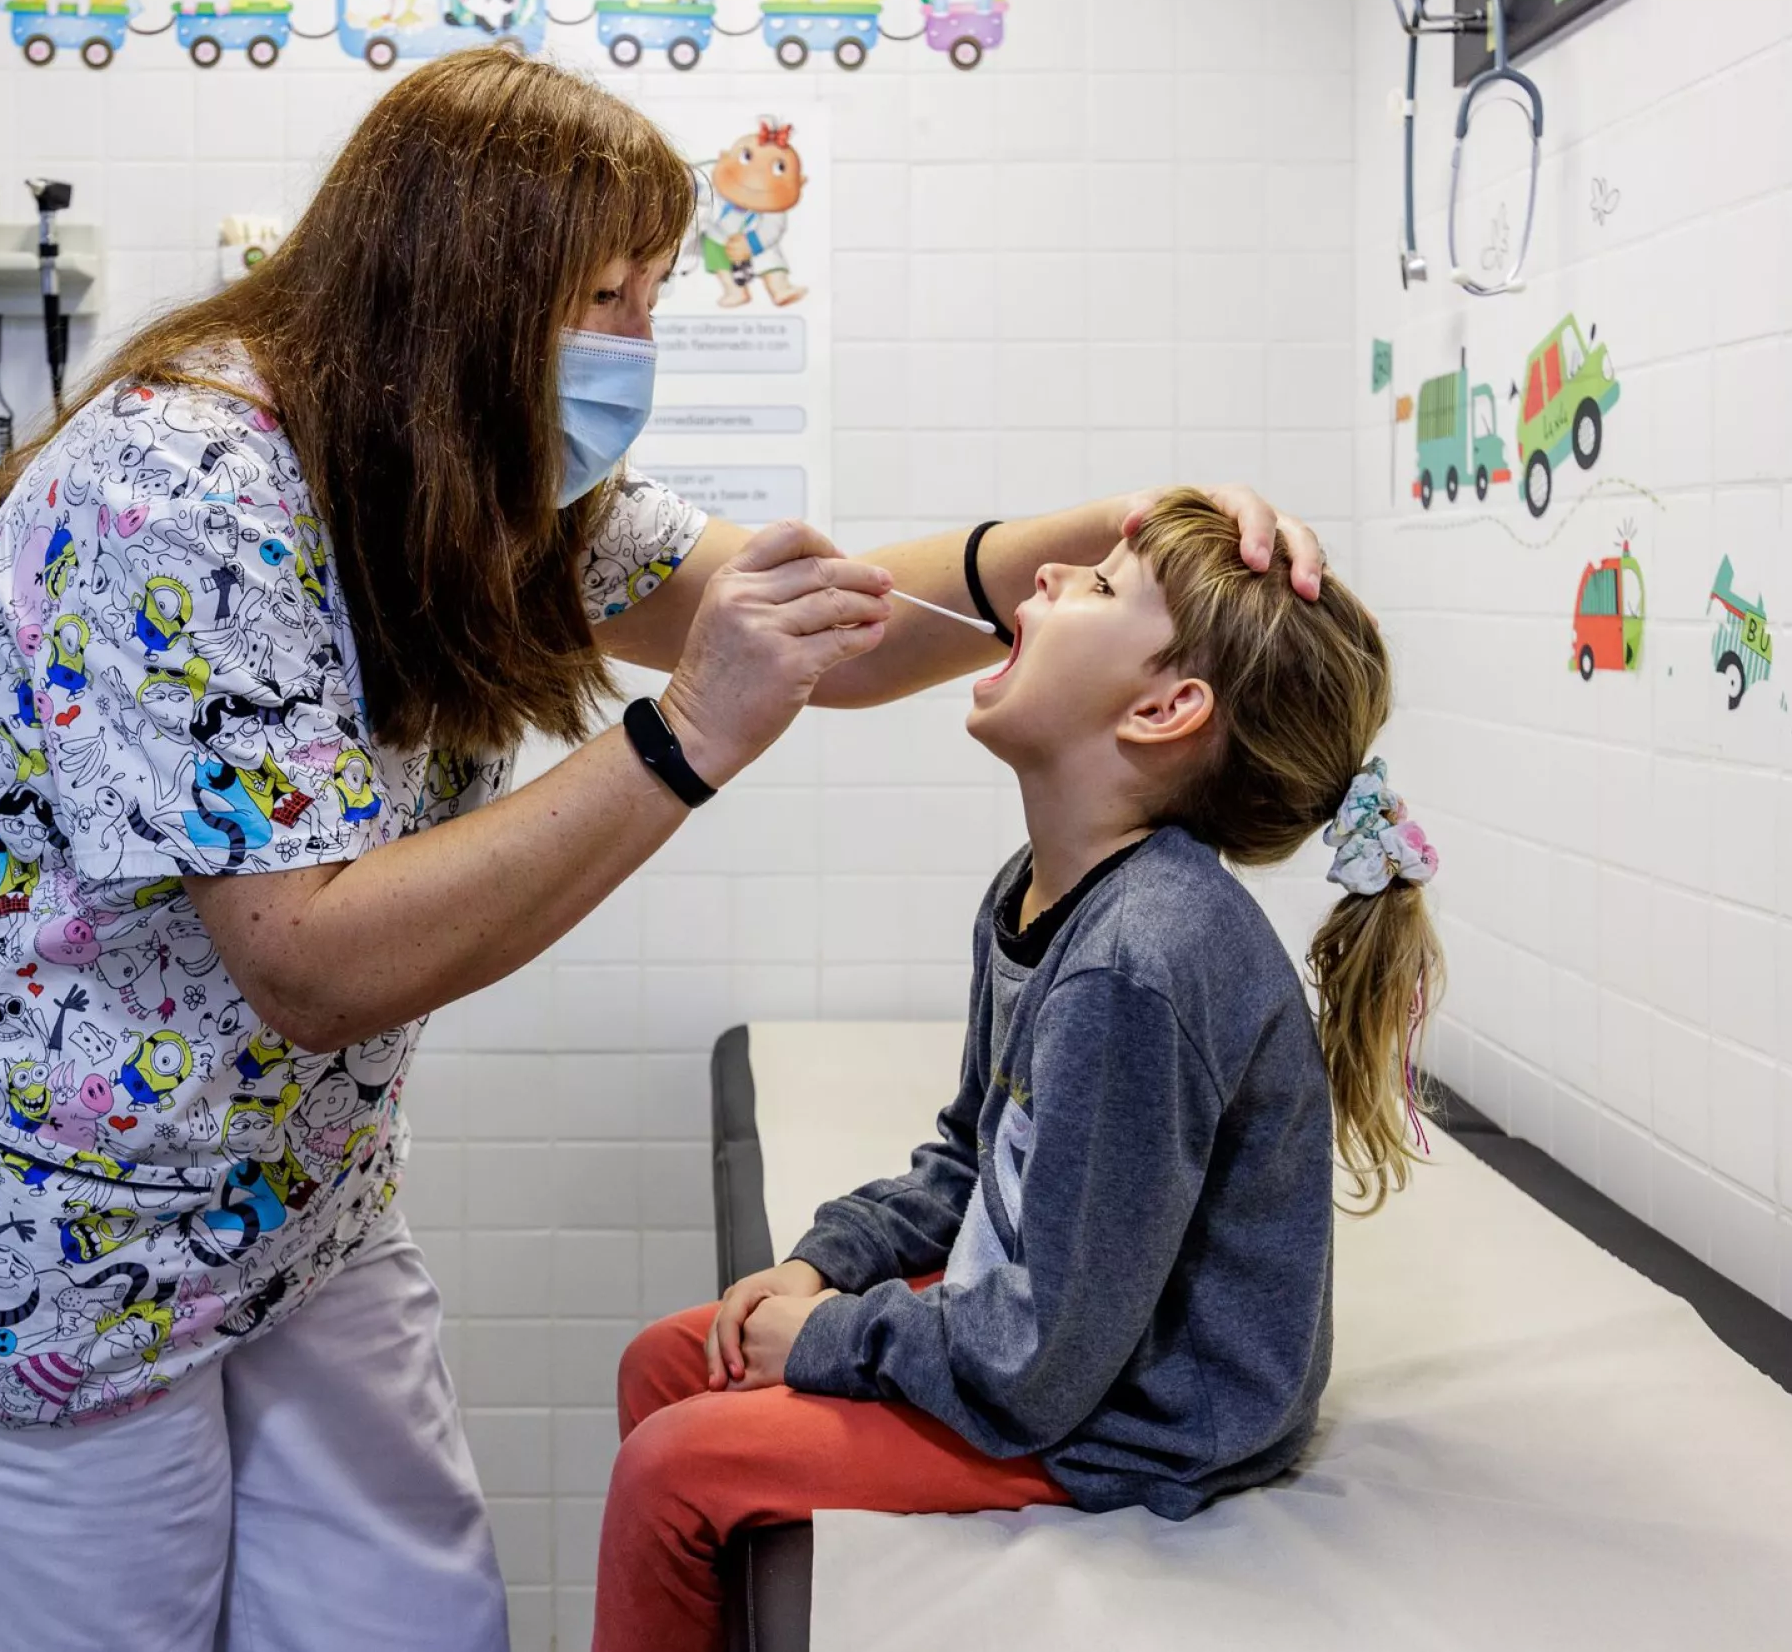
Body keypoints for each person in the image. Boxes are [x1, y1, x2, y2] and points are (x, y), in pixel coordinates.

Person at [0, 46, 1325, 1652]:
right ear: (463, 290)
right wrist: (677, 741)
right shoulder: (186, 488)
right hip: (29, 1234)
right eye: (613, 297)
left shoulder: (488, 478)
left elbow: (831, 629)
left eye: (653, 294)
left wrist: (1113, 528)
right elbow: (308, 958)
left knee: (416, 1618)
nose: (638, 348)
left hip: (282, 1207)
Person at [594, 489, 1441, 1650]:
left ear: (1164, 708)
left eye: (1092, 585)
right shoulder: (1037, 889)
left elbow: (1040, 1363)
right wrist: (822, 1265)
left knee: (675, 1469)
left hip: (1136, 1410)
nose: (1041, 581)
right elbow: (970, 1158)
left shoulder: (1143, 960)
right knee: (671, 1359)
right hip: (1066, 1334)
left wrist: (836, 1336)